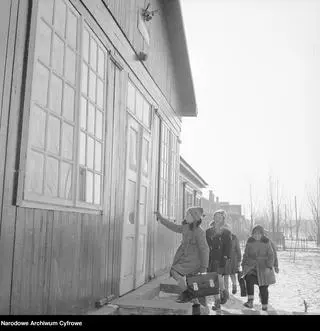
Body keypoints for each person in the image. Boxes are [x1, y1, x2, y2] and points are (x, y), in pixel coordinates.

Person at [155, 206, 210, 313]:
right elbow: (173, 227)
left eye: (188, 215)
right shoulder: (186, 227)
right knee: (192, 285)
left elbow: (205, 249)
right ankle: (197, 304)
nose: (185, 216)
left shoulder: (199, 232)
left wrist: (204, 266)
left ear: (194, 217)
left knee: (175, 271)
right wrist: (161, 218)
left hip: (194, 261)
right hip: (186, 258)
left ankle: (189, 295)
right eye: (186, 214)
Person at [241, 225, 276, 311]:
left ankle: (264, 306)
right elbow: (246, 254)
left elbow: (271, 255)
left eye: (259, 234)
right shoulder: (250, 241)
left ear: (262, 234)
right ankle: (250, 301)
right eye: (255, 234)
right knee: (248, 279)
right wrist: (243, 264)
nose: (256, 235)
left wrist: (269, 266)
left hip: (264, 268)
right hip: (252, 267)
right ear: (252, 234)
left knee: (263, 287)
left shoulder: (266, 242)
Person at [206, 209, 232, 310]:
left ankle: (223, 291)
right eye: (215, 216)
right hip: (209, 258)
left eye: (219, 217)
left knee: (218, 277)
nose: (217, 219)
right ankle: (216, 301)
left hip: (220, 258)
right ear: (213, 218)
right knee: (211, 280)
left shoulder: (226, 232)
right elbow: (205, 245)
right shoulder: (208, 231)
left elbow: (228, 246)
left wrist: (225, 257)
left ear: (223, 219)